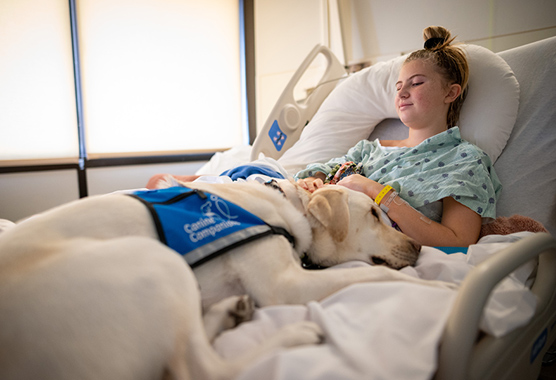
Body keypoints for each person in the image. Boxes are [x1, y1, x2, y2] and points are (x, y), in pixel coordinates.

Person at [296, 26, 502, 248]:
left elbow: (458, 241)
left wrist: (377, 191)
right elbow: (325, 170)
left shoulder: (464, 159)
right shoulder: (368, 150)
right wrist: (311, 180)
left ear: (450, 92)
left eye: (416, 83)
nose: (402, 93)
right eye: (399, 86)